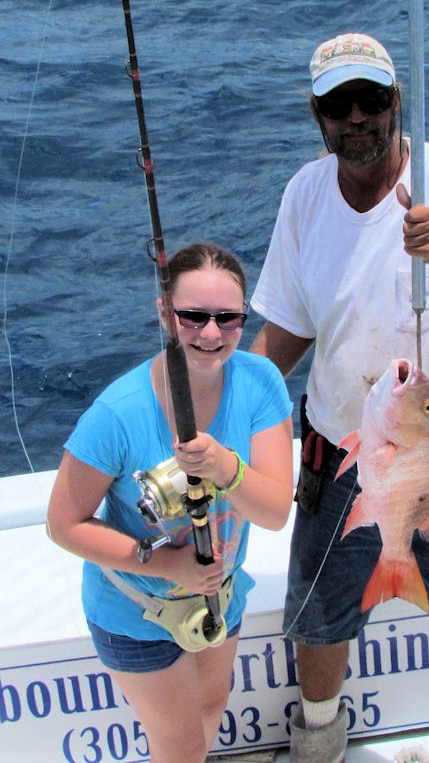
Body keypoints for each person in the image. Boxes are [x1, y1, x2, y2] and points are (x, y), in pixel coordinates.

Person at [250, 33, 429, 763]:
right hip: (338, 455)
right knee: (317, 621)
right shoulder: (304, 194)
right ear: (316, 114)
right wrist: (232, 406)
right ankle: (319, 739)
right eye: (338, 104)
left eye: (372, 99)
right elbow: (287, 325)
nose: (358, 117)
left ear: (397, 102)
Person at [47, 242, 294, 763]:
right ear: (165, 312)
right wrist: (165, 563)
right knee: (179, 746)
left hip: (220, 597)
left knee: (212, 706)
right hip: (137, 610)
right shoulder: (116, 413)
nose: (211, 334)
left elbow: (274, 513)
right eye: (193, 316)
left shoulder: (260, 382)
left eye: (228, 318)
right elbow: (63, 525)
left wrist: (224, 467)